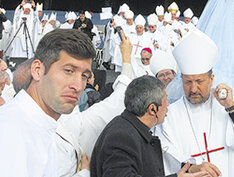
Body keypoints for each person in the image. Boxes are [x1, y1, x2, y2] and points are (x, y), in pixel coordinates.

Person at [156, 30, 234, 177]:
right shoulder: (169, 115)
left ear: (211, 79)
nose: (193, 89)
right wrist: (192, 167)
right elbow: (165, 153)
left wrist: (231, 108)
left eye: (199, 81)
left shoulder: (228, 104)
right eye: (188, 82)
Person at [0, 29, 96, 177]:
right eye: (69, 71)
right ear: (37, 70)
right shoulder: (11, 133)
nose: (77, 86)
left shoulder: (42, 126)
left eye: (84, 76)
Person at [90, 75, 209, 177]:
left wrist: (189, 168)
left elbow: (151, 164)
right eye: (165, 100)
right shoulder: (121, 137)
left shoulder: (131, 127)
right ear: (153, 109)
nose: (168, 104)